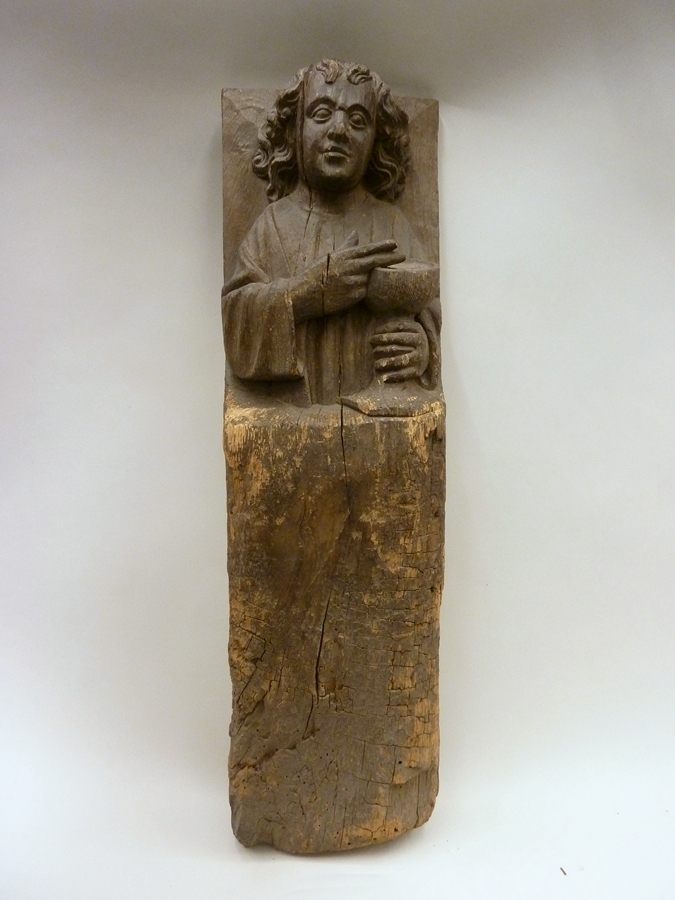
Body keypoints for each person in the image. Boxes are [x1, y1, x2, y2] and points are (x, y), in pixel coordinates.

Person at [222, 58, 441, 407]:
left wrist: (421, 347)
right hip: (292, 418)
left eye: (358, 120)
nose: (339, 130)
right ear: (296, 128)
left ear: (376, 140)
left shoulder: (392, 224)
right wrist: (306, 293)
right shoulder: (272, 226)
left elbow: (427, 310)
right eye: (322, 114)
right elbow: (237, 320)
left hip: (377, 420)